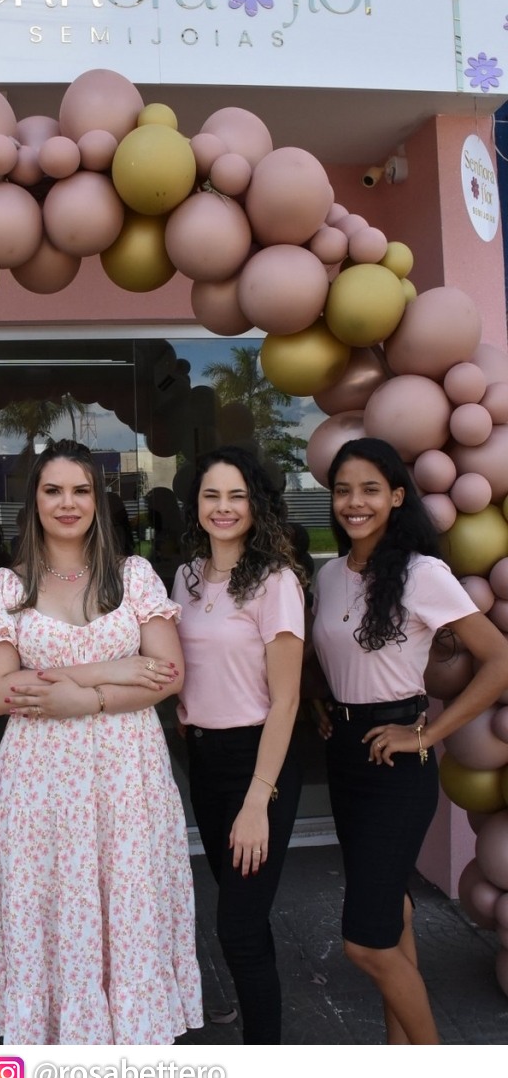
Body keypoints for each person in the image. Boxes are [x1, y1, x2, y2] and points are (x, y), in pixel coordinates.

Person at [0, 438, 203, 1045]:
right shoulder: (7, 588)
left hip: (128, 776)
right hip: (39, 784)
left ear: (99, 499)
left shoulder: (134, 577)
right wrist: (113, 670)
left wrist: (86, 699)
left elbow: (168, 674)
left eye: (80, 490)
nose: (67, 503)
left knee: (127, 904)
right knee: (50, 907)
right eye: (53, 490)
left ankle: (129, 1053)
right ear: (34, 501)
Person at [312, 437, 508, 1045]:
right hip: (346, 756)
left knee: (364, 942)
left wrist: (429, 732)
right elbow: (336, 654)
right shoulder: (328, 573)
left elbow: (498, 657)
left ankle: (438, 1076)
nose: (354, 502)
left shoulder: (424, 574)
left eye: (370, 489)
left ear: (397, 496)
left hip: (398, 760)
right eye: (343, 489)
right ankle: (399, 1067)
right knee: (390, 911)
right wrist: (326, 704)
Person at [171, 446, 305, 1045]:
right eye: (211, 495)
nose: (223, 508)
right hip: (204, 757)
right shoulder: (188, 575)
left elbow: (287, 701)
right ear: (195, 503)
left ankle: (266, 1072)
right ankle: (261, 1021)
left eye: (236, 496)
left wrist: (258, 801)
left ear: (256, 505)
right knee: (241, 910)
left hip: (259, 761)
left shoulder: (276, 582)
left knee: (238, 928)